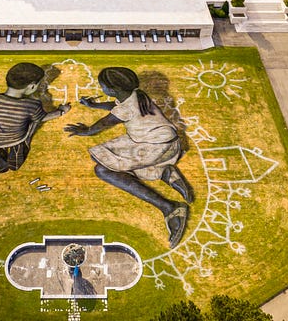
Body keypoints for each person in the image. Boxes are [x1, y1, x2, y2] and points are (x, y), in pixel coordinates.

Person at [65, 66, 193, 246]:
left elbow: (104, 123)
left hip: (153, 148)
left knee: (102, 168)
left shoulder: (127, 107)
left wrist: (85, 131)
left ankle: (170, 208)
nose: (102, 89)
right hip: (169, 144)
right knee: (110, 158)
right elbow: (117, 108)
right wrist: (95, 105)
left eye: (103, 87)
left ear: (112, 90)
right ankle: (164, 172)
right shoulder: (138, 95)